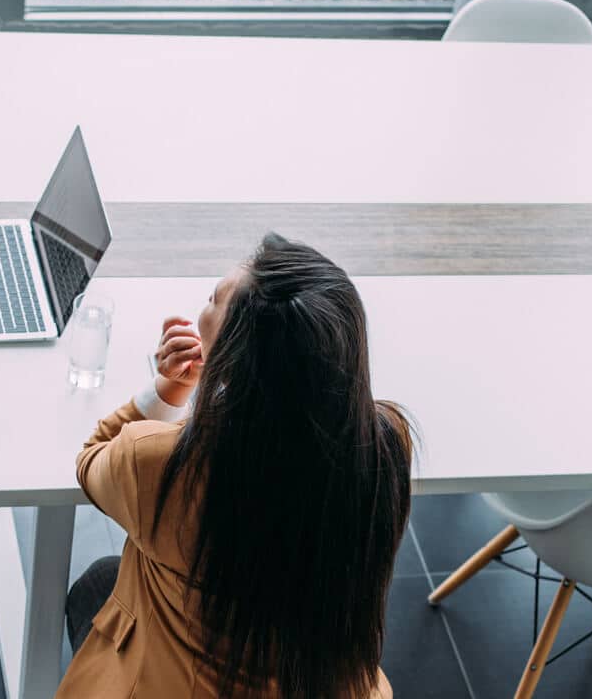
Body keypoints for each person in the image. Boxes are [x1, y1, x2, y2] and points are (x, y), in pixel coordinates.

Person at [58, 233, 412, 699]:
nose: (202, 307)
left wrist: (167, 390)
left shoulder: (158, 465)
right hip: (323, 685)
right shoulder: (383, 446)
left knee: (95, 586)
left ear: (235, 360)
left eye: (212, 299)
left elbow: (92, 460)